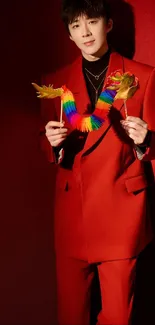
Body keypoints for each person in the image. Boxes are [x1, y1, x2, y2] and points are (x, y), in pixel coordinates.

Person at [40, 0, 155, 324]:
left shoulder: (143, 77)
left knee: (119, 316)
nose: (85, 31)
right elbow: (44, 144)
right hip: (71, 216)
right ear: (69, 35)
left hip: (122, 213)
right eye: (76, 25)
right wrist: (52, 145)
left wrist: (146, 139)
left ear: (109, 24)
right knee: (71, 314)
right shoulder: (56, 85)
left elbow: (154, 147)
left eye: (91, 21)